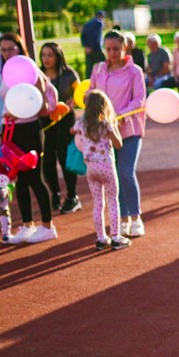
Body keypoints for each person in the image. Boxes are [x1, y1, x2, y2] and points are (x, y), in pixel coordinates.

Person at [0, 34, 59, 244]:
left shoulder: (31, 70)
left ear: (20, 49)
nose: (7, 53)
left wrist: (19, 113)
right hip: (9, 130)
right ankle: (26, 225)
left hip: (30, 129)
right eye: (3, 49)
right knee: (19, 180)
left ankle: (47, 226)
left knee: (34, 177)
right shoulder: (5, 72)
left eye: (11, 48)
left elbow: (42, 105)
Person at [90, 30, 148, 238]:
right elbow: (92, 93)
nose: (112, 53)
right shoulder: (98, 69)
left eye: (116, 48)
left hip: (129, 129)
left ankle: (135, 217)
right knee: (114, 176)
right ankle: (122, 219)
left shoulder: (135, 71)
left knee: (126, 171)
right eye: (108, 49)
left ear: (125, 48)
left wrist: (120, 115)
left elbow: (139, 99)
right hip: (104, 132)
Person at [72, 89, 129, 250]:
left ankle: (101, 237)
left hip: (91, 169)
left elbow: (73, 130)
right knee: (113, 201)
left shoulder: (81, 124)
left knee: (98, 203)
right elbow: (118, 144)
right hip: (107, 167)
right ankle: (116, 237)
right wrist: (115, 128)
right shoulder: (106, 125)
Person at [39, 42, 81, 214]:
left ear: (58, 56)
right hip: (46, 122)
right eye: (43, 55)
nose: (46, 59)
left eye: (50, 55)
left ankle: (72, 196)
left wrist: (74, 102)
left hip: (65, 120)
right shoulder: (38, 75)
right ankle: (55, 193)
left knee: (65, 158)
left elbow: (80, 94)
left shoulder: (69, 74)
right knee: (47, 160)